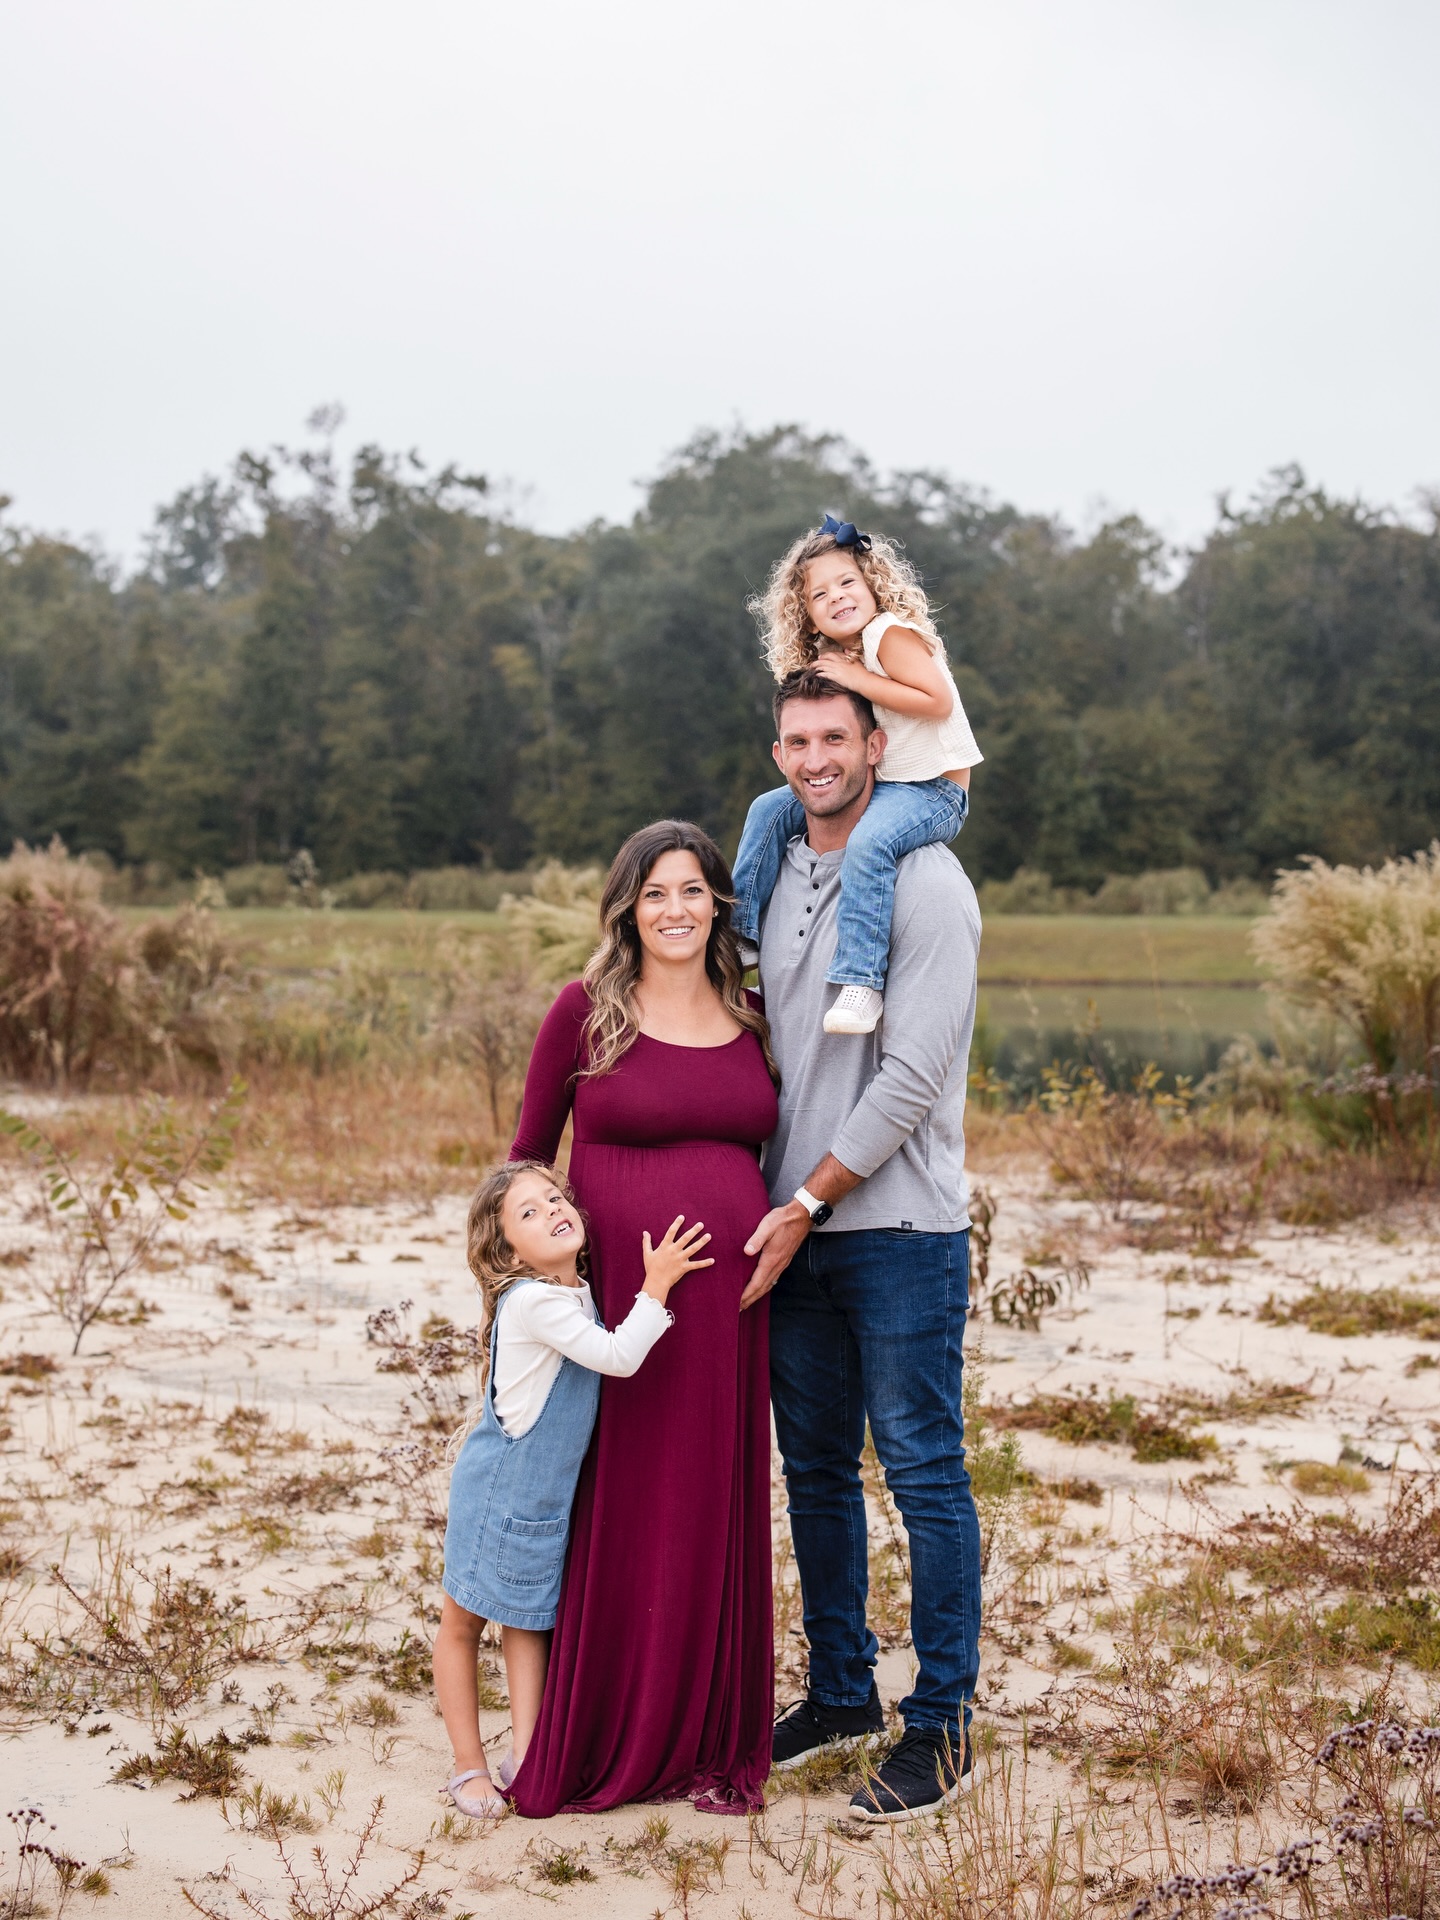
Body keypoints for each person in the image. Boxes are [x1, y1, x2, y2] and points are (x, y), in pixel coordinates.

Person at [741, 665, 984, 1823]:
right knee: (818, 1476)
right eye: (796, 739)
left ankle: (940, 1728)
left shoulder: (929, 882)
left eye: (835, 737)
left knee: (926, 1477)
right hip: (795, 1232)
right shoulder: (779, 861)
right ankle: (841, 1691)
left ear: (879, 747)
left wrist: (809, 1201)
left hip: (895, 1229)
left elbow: (910, 1078)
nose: (814, 758)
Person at [506, 820, 780, 1815]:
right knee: (617, 1501)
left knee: (708, 1505)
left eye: (694, 891)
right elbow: (525, 1163)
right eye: (656, 893)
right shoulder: (585, 1012)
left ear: (717, 905)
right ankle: (605, 1728)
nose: (676, 910)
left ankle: (708, 1735)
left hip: (725, 1315)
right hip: (615, 1301)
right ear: (627, 907)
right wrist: (516, 1308)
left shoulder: (753, 1012)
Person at [432, 1160, 712, 1820]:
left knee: (530, 1620)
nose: (552, 1210)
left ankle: (529, 1755)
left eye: (554, 1197)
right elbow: (618, 1357)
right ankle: (468, 1767)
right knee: (463, 1624)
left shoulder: (575, 1290)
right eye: (527, 1212)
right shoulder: (534, 1302)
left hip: (542, 1503)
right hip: (498, 1493)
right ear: (506, 1251)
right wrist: (657, 1285)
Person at [732, 513, 982, 1037]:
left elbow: (936, 701)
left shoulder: (889, 635)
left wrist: (857, 677)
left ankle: (861, 981)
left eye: (847, 582)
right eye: (820, 595)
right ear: (807, 613)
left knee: (869, 841)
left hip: (934, 791)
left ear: (872, 583)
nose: (837, 598)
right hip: (889, 784)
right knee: (767, 809)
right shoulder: (842, 652)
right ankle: (740, 936)